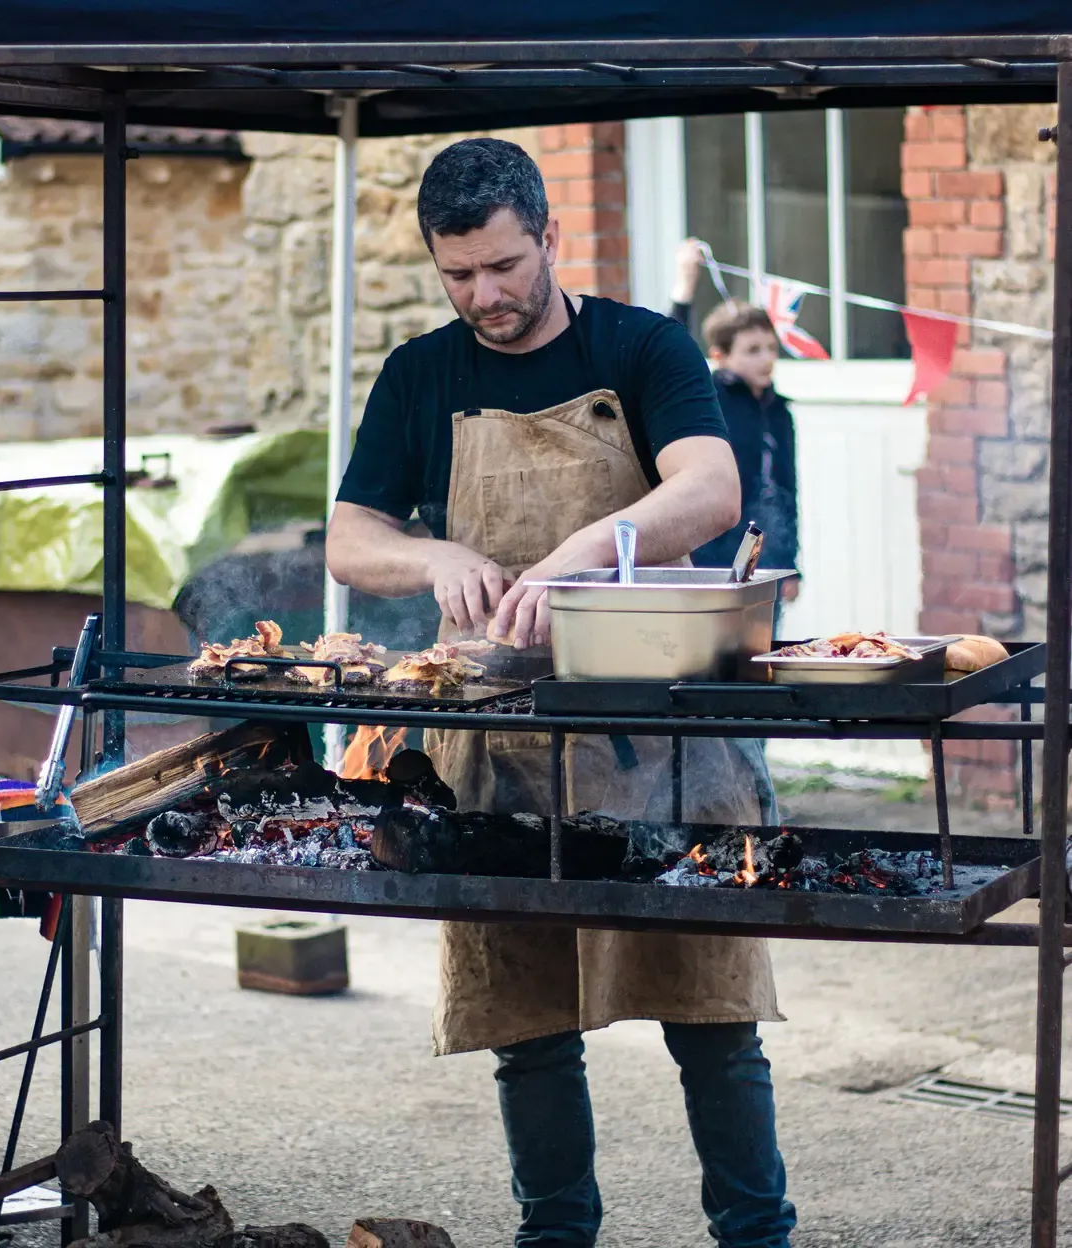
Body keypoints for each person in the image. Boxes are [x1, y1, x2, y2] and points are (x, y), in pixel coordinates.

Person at [327, 138, 794, 1248]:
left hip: (664, 743)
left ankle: (757, 1235)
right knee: (526, 1021)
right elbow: (352, 539)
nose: (484, 295)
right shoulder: (420, 374)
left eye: (502, 266)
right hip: (500, 747)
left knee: (710, 1014)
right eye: (459, 274)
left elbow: (713, 487)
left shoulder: (643, 345)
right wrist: (434, 563)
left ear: (549, 237)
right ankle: (556, 1234)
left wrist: (592, 546)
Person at [669, 238, 800, 625]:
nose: (766, 359)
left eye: (771, 348)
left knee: (758, 654)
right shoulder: (710, 397)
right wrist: (685, 284)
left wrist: (790, 564)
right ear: (720, 355)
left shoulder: (780, 410)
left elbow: (786, 491)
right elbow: (673, 352)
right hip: (709, 557)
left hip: (763, 562)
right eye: (752, 350)